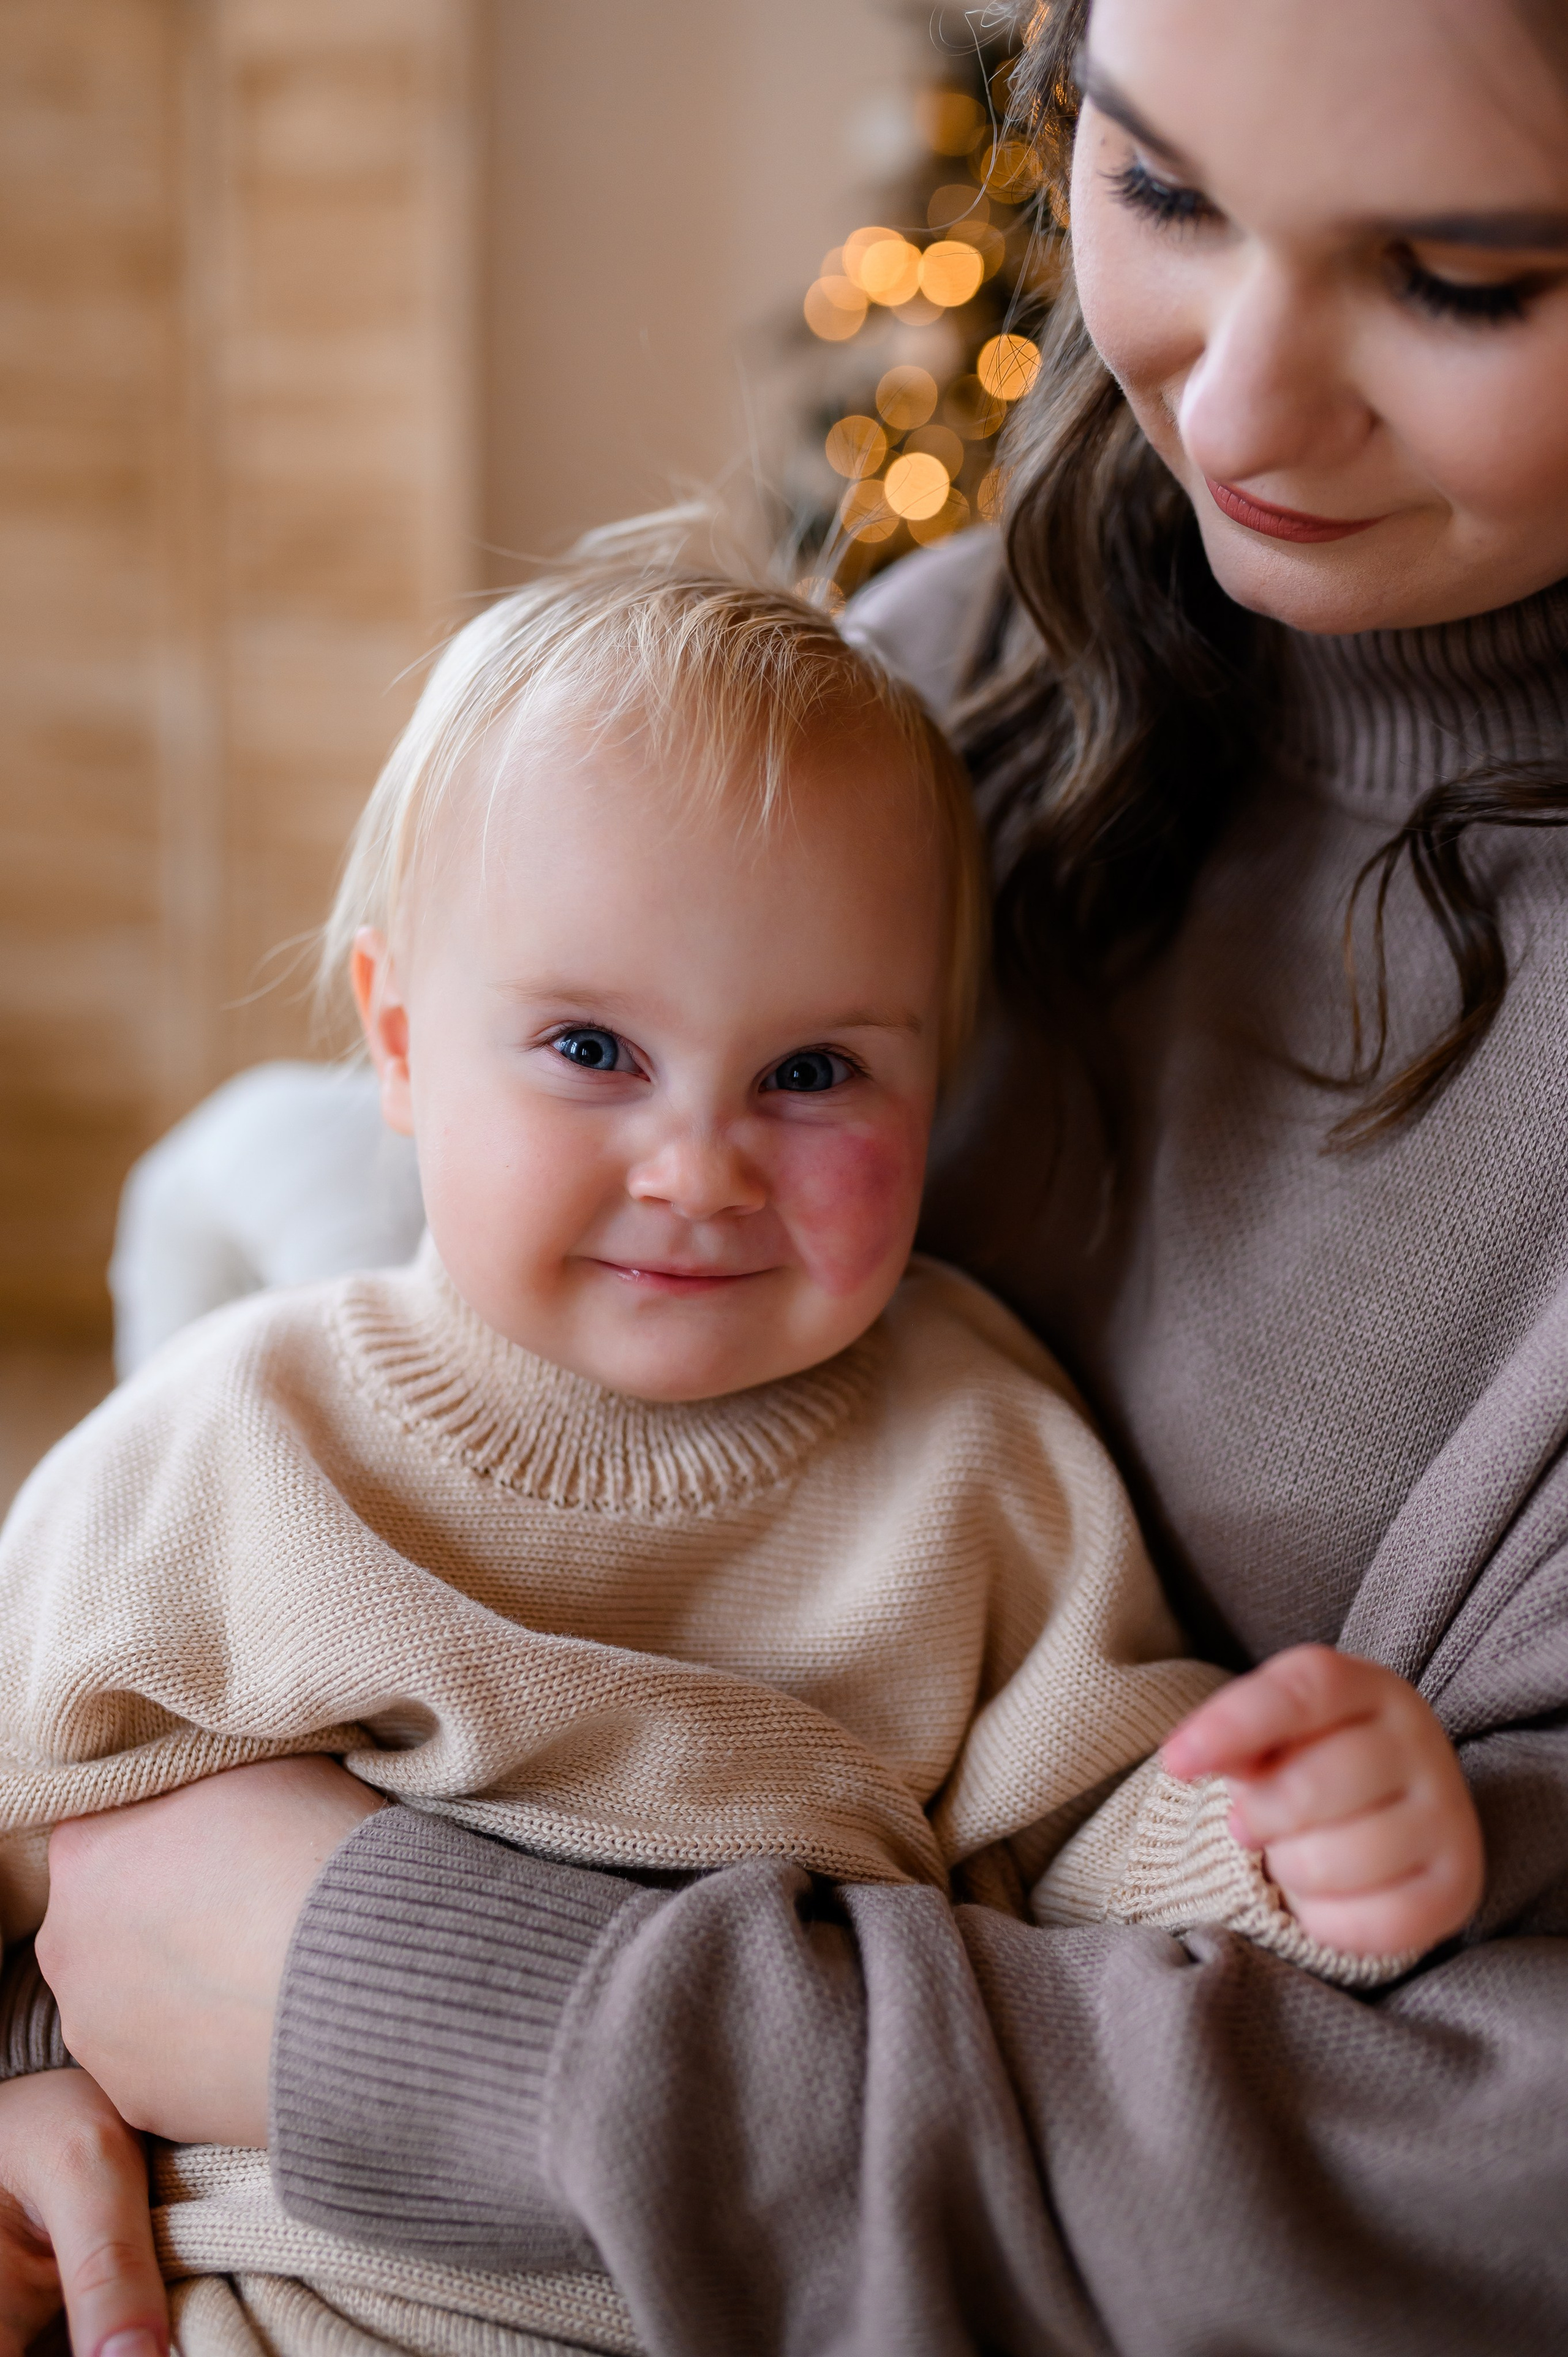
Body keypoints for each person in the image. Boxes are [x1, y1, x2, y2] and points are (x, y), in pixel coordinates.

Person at [12, 0, 1568, 2345]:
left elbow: (1168, 1877)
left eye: (1462, 274)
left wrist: (1304, 1838)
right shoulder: (957, 687)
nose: (1230, 415)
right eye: (1155, 187)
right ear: (400, 1043)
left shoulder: (979, 1466)